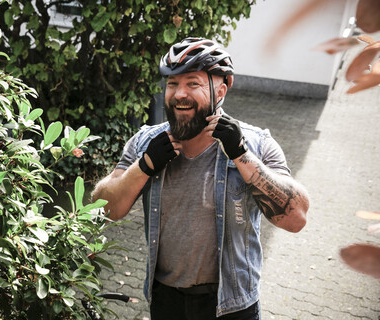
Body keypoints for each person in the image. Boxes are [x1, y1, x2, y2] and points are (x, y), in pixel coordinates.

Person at [92, 37, 310, 320]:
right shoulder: (146, 141)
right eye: (172, 84)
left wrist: (241, 156)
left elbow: (296, 219)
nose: (179, 94)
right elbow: (102, 209)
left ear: (221, 89)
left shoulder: (257, 144)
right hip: (166, 300)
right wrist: (145, 165)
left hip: (231, 305)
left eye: (192, 83)